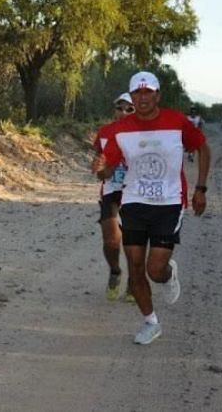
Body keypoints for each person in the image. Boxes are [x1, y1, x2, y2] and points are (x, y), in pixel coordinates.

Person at [94, 71, 210, 345]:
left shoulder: (177, 122)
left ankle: (168, 273)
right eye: (137, 93)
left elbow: (203, 148)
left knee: (154, 270)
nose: (143, 97)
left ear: (157, 95)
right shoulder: (120, 130)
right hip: (133, 201)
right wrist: (101, 170)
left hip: (169, 203)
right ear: (132, 96)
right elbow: (107, 168)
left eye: (148, 92)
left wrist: (200, 188)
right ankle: (151, 322)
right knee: (135, 268)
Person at [91, 93, 134, 302]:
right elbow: (99, 165)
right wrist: (100, 169)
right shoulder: (105, 133)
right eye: (120, 107)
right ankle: (115, 271)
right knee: (111, 239)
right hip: (111, 190)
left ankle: (135, 280)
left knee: (134, 242)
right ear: (114, 109)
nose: (123, 112)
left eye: (129, 109)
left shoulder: (144, 134)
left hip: (136, 192)